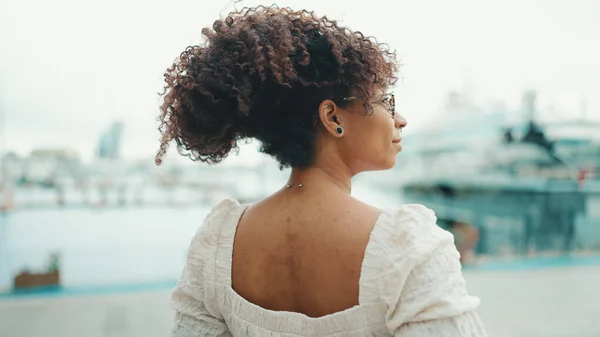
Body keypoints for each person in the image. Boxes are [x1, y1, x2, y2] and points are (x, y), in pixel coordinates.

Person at [156, 5, 487, 336]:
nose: (400, 120)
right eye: (387, 102)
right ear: (333, 117)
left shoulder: (217, 245)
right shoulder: (407, 247)